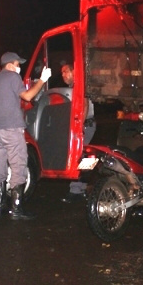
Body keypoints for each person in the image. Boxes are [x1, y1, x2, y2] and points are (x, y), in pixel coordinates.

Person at [0, 52, 52, 220]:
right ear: (10, 64)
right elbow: (28, 96)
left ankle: (0, 206)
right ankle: (16, 209)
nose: (19, 67)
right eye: (17, 64)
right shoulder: (13, 78)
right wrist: (43, 80)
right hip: (12, 129)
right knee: (18, 166)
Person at [61, 63, 96, 203]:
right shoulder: (72, 87)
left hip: (85, 125)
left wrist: (79, 126)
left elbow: (85, 105)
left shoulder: (81, 85)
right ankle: (82, 187)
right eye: (62, 72)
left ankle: (76, 190)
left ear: (73, 71)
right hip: (83, 125)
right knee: (83, 157)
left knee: (80, 157)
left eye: (65, 71)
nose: (63, 75)